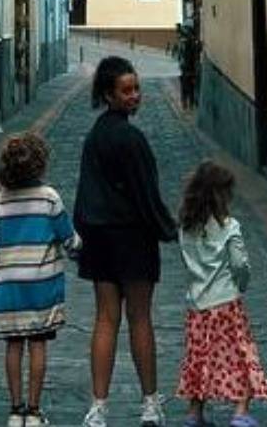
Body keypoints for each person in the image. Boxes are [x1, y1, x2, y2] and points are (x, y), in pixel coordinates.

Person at [74, 55, 178, 427]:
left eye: (136, 89)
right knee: (140, 318)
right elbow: (146, 193)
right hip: (133, 238)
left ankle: (98, 407)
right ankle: (150, 403)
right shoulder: (132, 139)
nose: (135, 96)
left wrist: (83, 233)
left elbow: (85, 192)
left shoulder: (95, 137)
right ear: (109, 94)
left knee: (105, 319)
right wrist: (168, 229)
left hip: (99, 238)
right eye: (127, 90)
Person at [0, 132, 81, 427]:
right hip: (41, 286)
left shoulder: (0, 202)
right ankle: (35, 411)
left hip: (9, 288)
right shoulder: (49, 198)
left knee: (13, 345)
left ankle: (15, 410)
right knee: (38, 344)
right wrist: (78, 252)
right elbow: (68, 236)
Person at [173, 161, 267, 427]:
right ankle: (240, 412)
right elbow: (240, 264)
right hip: (227, 303)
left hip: (197, 305)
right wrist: (241, 284)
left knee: (199, 357)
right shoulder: (229, 227)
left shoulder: (185, 228)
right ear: (221, 195)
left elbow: (187, 261)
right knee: (240, 355)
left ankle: (194, 413)